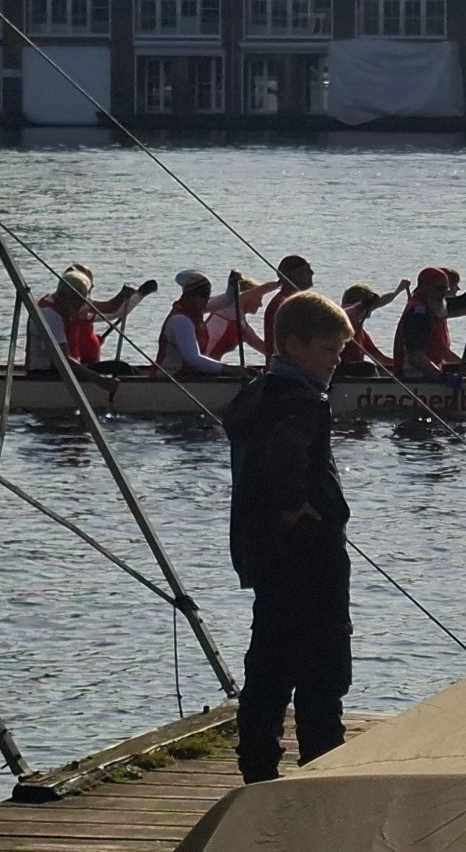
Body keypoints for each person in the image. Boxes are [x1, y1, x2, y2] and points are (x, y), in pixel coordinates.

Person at [221, 288, 355, 784]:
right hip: (309, 559)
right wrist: (297, 506)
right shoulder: (301, 401)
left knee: (270, 666)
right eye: (329, 351)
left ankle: (257, 770)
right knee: (323, 670)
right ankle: (322, 768)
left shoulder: (258, 393)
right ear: (296, 345)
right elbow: (286, 463)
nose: (336, 362)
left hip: (266, 558)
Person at [23, 264, 140, 391]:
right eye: (76, 303)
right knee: (119, 370)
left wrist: (123, 295)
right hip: (45, 374)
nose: (79, 308)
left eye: (82, 302)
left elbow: (110, 309)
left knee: (122, 368)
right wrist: (99, 381)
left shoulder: (70, 300)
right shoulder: (50, 315)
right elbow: (62, 361)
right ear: (63, 295)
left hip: (64, 368)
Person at [393, 265, 466, 379]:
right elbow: (415, 357)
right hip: (413, 376)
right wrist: (442, 377)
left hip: (430, 371)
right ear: (425, 287)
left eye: (446, 288)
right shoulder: (418, 313)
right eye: (440, 288)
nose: (444, 293)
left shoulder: (434, 305)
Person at [158, 272, 249, 377]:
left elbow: (227, 300)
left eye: (208, 294)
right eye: (203, 295)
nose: (207, 299)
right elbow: (193, 358)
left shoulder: (196, 308)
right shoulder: (180, 321)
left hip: (188, 376)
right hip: (171, 378)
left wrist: (232, 284)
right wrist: (228, 369)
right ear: (190, 296)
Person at [337, 281, 409, 377]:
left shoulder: (360, 333)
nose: (373, 309)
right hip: (337, 372)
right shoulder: (340, 319)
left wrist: (404, 366)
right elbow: (349, 311)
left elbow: (380, 359)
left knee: (384, 370)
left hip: (354, 371)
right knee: (368, 368)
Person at [261, 255, 315, 351]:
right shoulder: (283, 304)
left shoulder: (295, 301)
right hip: (287, 364)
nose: (312, 273)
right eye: (306, 270)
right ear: (291, 274)